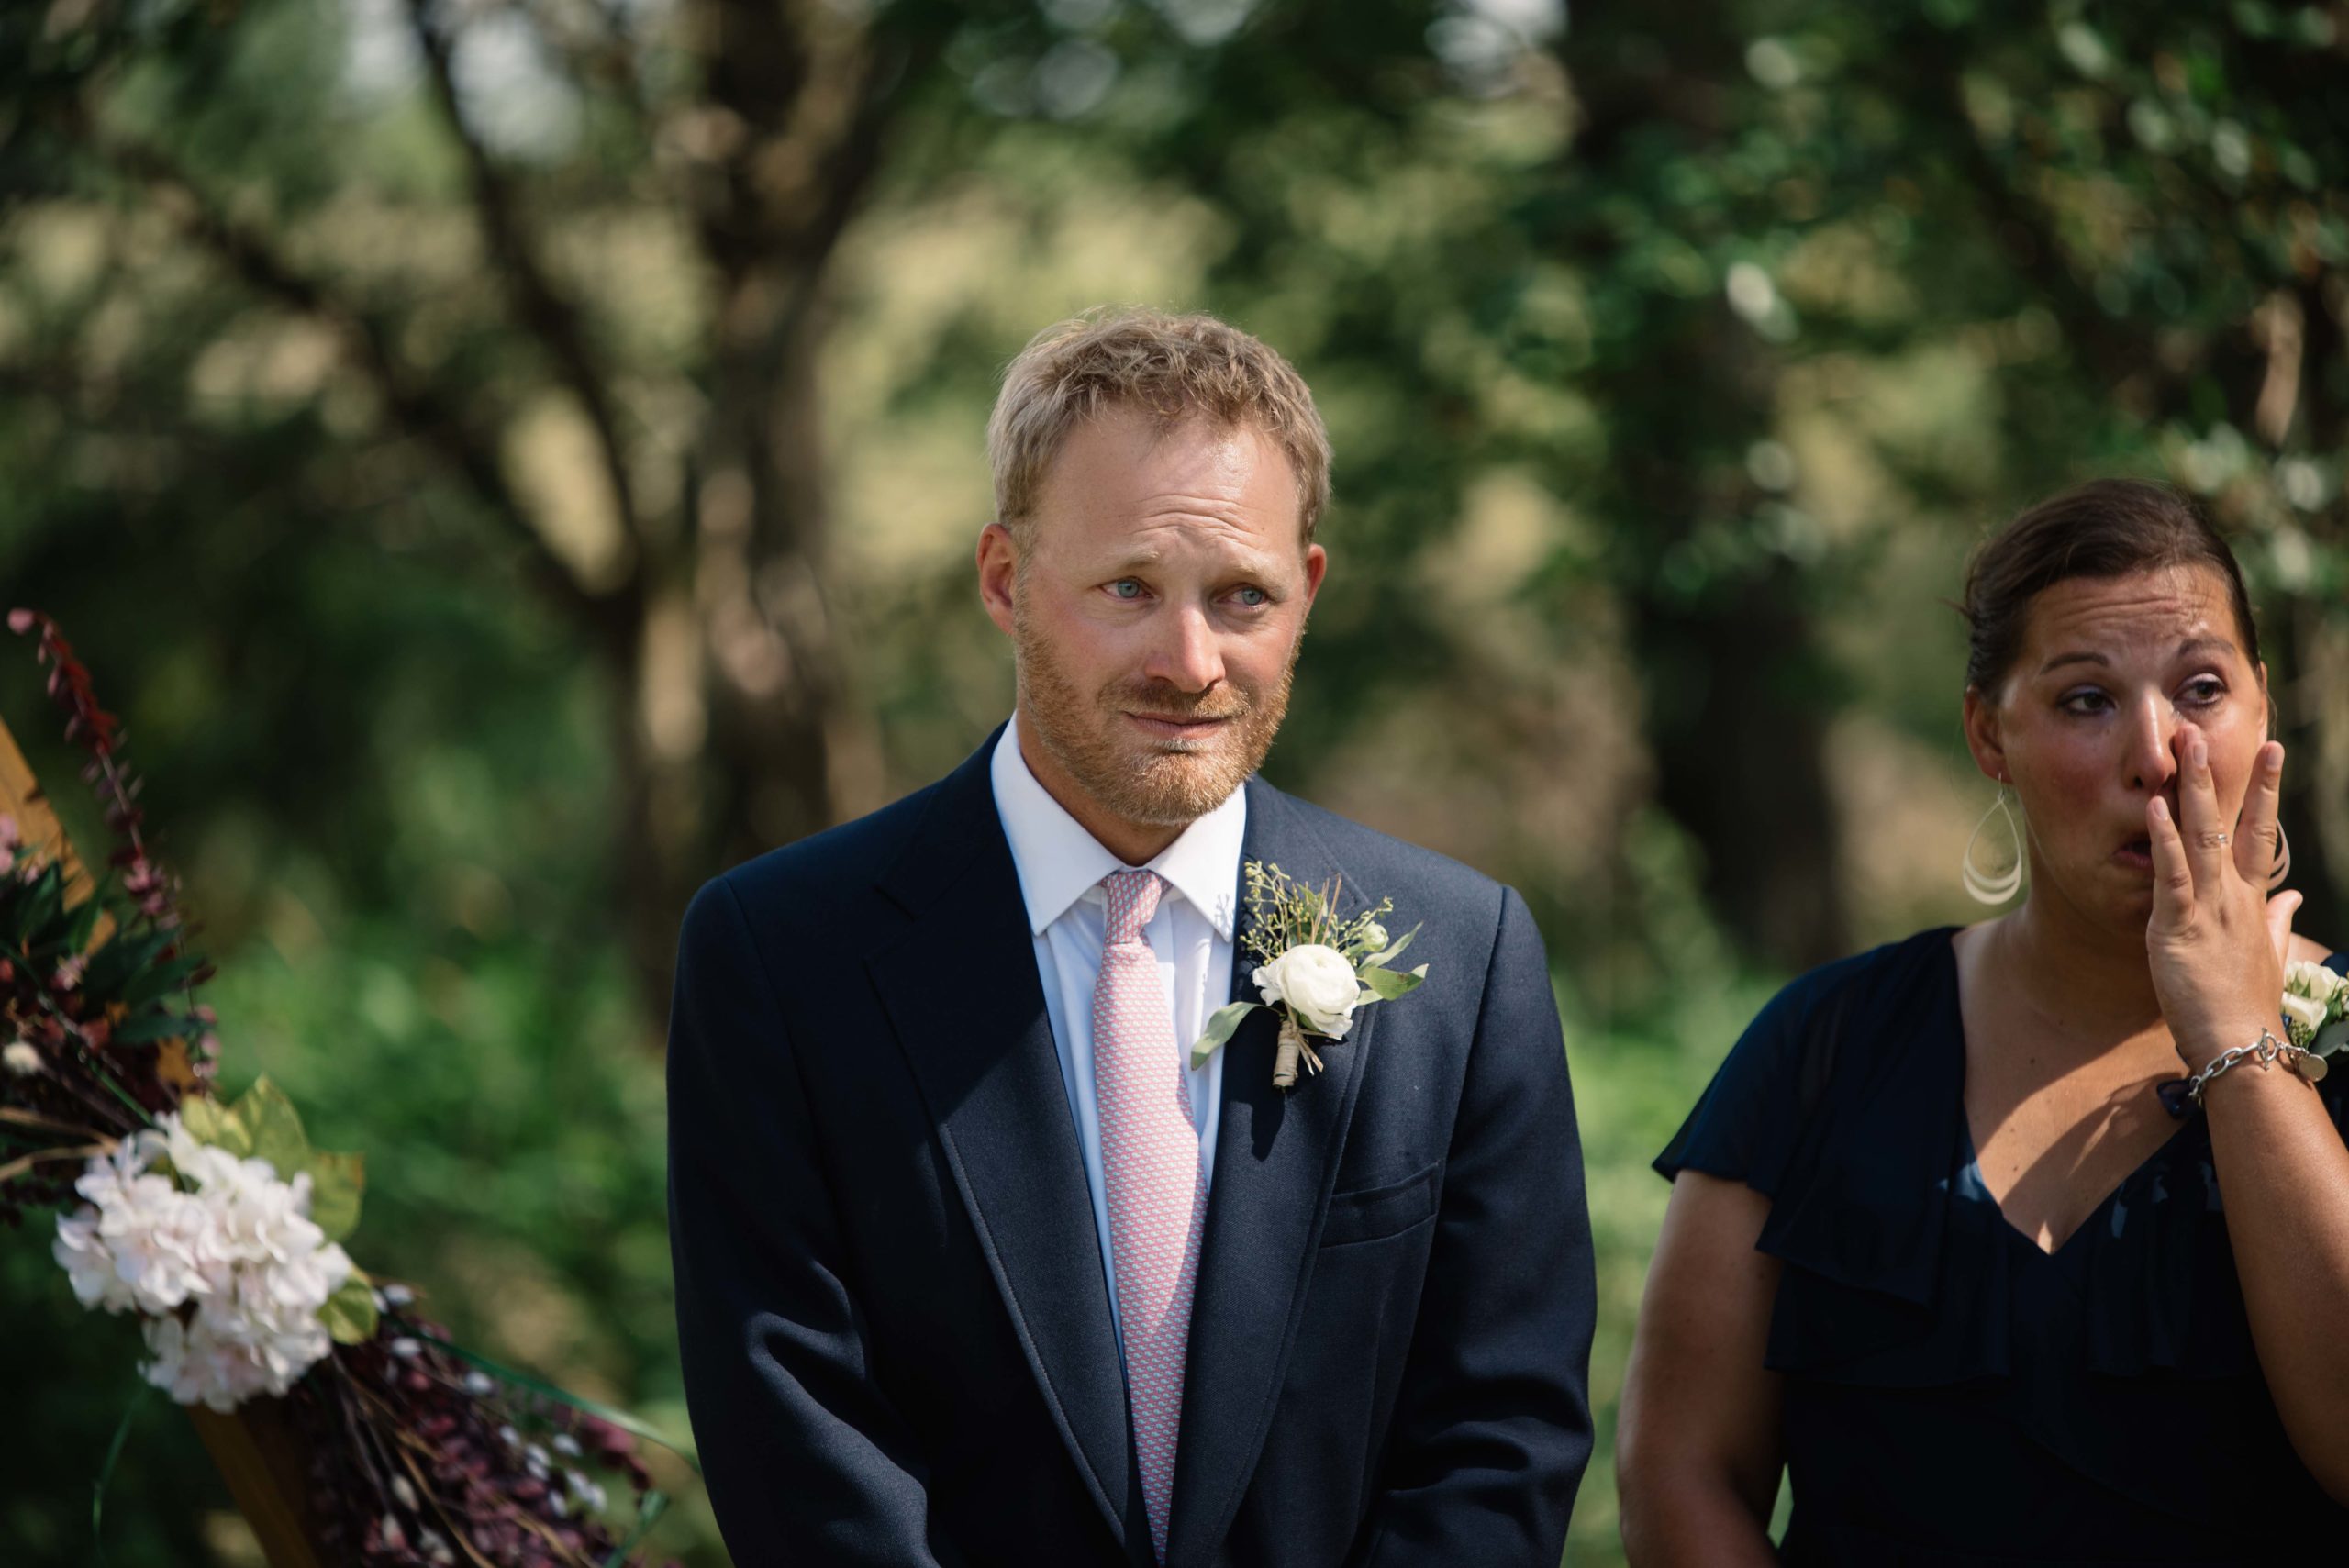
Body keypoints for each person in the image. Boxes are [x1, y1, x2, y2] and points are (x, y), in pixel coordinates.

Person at [666, 307, 1595, 1567]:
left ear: (1306, 591)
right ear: (1004, 578)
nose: (1191, 659)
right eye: (1128, 589)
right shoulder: (780, 957)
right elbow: (797, 1439)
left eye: (1242, 596)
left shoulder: (1464, 958)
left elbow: (1500, 1430)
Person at [1618, 478, 2349, 1564]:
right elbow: (1679, 1471)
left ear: (2262, 713)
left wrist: (2239, 1041)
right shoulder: (1824, 1044)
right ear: (1987, 734)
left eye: (2200, 687)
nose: (2155, 752)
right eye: (2085, 700)